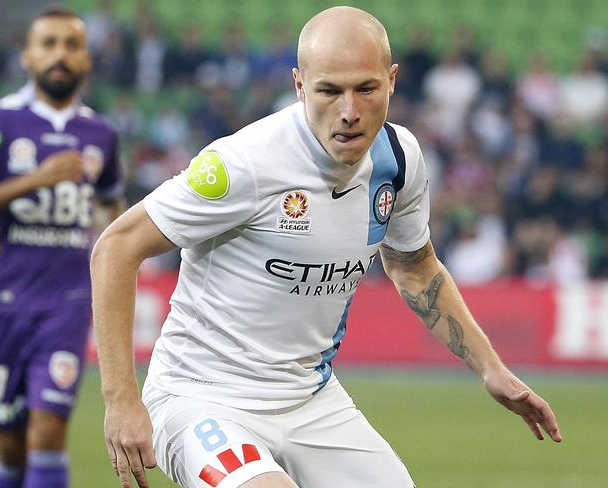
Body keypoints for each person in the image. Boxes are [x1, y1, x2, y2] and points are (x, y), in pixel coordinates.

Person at [91, 6, 562, 488]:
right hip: (201, 397)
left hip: (310, 400)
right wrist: (121, 399)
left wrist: (491, 369)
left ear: (393, 80)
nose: (350, 112)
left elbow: (415, 268)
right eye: (329, 91)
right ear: (299, 86)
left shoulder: (398, 160)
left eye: (366, 88)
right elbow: (116, 247)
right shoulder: (244, 164)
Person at [0, 7, 124, 488]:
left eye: (70, 45)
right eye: (48, 44)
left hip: (66, 303)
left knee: (48, 429)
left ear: (86, 60)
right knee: (8, 439)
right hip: (1, 303)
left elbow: (113, 214)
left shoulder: (102, 134)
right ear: (28, 56)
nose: (59, 54)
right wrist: (38, 179)